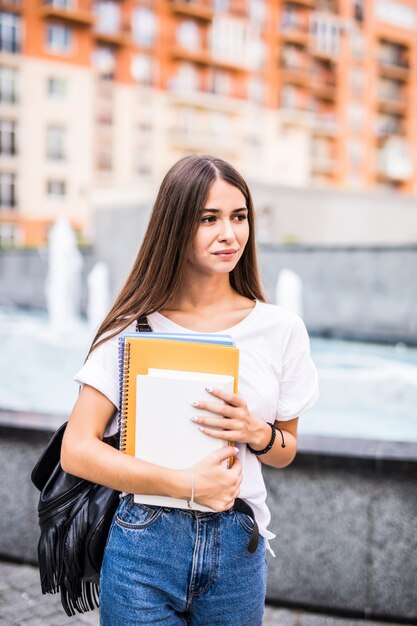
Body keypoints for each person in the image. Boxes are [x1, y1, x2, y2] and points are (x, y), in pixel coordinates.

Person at [61, 154, 319, 626]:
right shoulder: (132, 328)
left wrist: (256, 432)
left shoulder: (280, 328)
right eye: (208, 219)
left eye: (238, 217)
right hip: (143, 544)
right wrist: (189, 484)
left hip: (237, 550)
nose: (229, 233)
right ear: (176, 226)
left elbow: (286, 450)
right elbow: (76, 449)